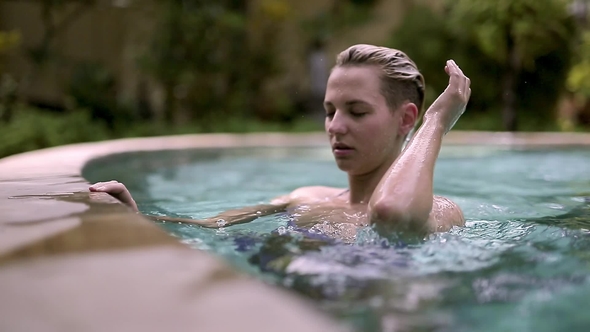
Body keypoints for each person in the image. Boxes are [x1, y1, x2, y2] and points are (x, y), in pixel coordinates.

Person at [90, 44, 471, 235]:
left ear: (406, 118)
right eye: (329, 111)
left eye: (356, 112)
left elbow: (392, 214)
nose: (335, 126)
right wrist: (139, 218)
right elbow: (209, 228)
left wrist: (437, 120)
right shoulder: (302, 199)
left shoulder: (440, 212)